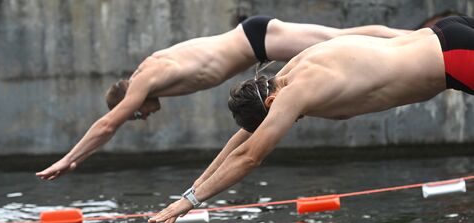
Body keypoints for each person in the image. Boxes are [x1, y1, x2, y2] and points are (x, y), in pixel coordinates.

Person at [148, 16, 474, 223]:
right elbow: (240, 141)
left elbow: (249, 156)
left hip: (455, 60)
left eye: (286, 118)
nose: (294, 120)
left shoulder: (294, 94)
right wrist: (190, 192)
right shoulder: (289, 69)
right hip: (445, 32)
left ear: (272, 103)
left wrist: (189, 204)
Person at [36, 16, 409, 180]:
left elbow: (106, 125)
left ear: (125, 101)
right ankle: (416, 40)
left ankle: (419, 39)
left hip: (256, 39)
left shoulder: (145, 78)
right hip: (255, 42)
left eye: (134, 115)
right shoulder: (152, 75)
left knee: (341, 37)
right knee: (341, 37)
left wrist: (70, 160)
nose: (141, 117)